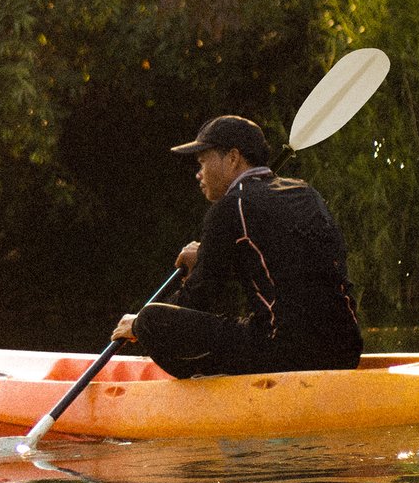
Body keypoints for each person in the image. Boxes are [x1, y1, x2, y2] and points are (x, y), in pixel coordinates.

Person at [111, 114, 362, 376]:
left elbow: (199, 298)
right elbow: (288, 263)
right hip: (346, 349)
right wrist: (207, 253)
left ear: (232, 158)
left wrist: (138, 325)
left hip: (284, 352)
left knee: (152, 319)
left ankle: (209, 386)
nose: (198, 174)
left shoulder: (231, 207)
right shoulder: (305, 193)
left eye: (203, 161)